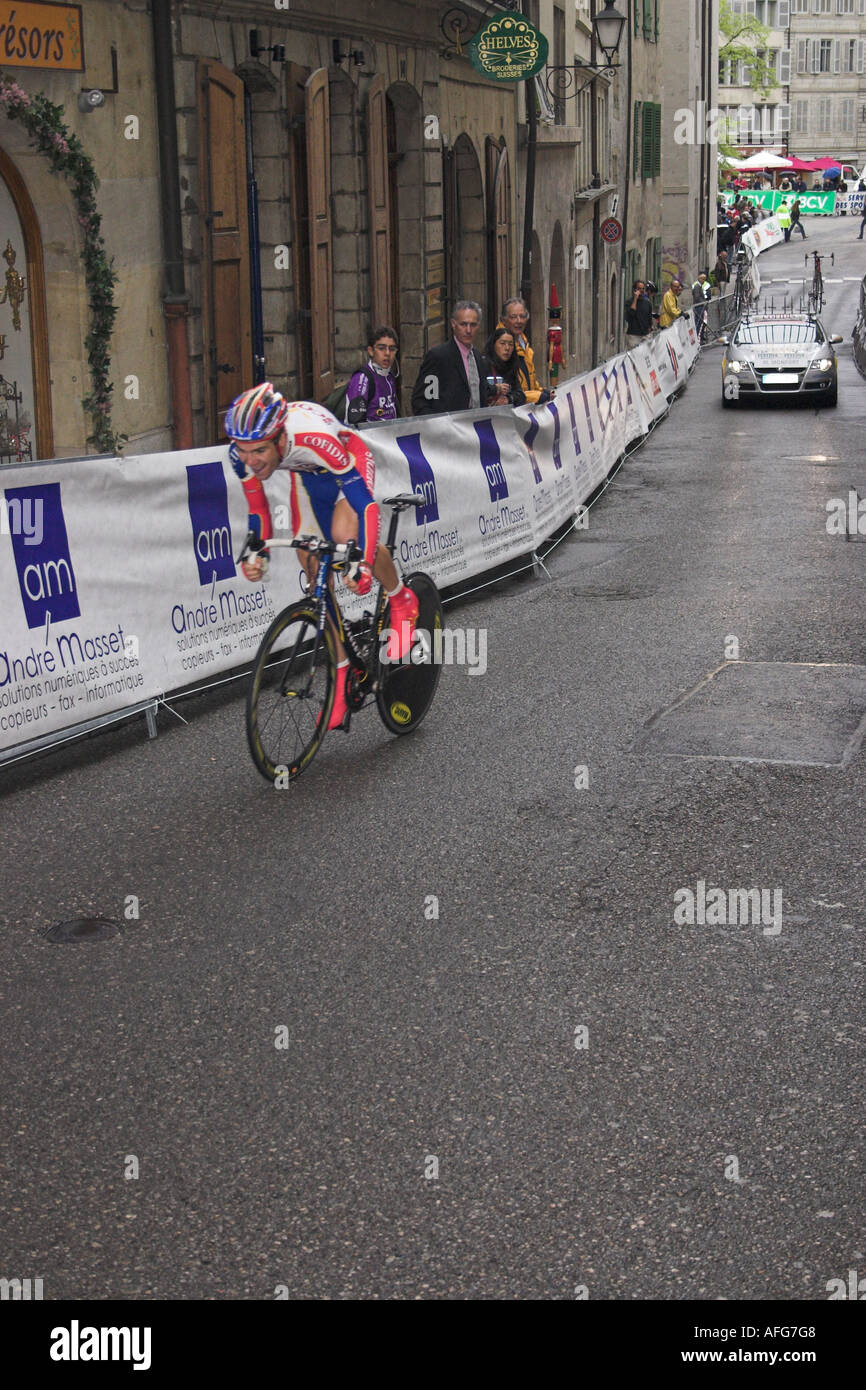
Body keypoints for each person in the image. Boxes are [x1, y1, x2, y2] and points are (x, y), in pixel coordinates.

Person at [225, 383, 419, 731]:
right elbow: (258, 508)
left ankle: (401, 597)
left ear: (279, 438)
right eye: (243, 452)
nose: (250, 462)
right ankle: (342, 675)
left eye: (258, 452)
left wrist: (360, 562)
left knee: (347, 537)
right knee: (310, 556)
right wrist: (258, 550)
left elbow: (368, 508)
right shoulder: (241, 455)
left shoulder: (312, 438)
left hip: (347, 462)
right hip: (308, 475)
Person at [411, 300, 491, 415]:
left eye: (473, 325)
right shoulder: (438, 357)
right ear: (453, 324)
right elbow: (421, 401)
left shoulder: (479, 358)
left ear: (478, 326)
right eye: (463, 324)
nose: (468, 330)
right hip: (447, 429)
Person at [495, 298, 553, 404]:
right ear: (503, 320)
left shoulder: (523, 342)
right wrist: (537, 396)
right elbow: (508, 390)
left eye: (522, 316)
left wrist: (543, 391)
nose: (519, 321)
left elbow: (530, 381)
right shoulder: (499, 347)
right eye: (513, 317)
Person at [344, 325, 400, 424]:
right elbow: (355, 422)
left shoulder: (390, 375)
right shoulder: (362, 378)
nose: (387, 353)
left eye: (392, 349)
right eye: (381, 348)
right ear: (371, 351)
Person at [480, 327, 526, 406]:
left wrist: (508, 399)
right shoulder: (482, 364)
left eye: (511, 344)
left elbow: (521, 395)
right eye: (502, 343)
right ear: (493, 345)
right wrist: (495, 389)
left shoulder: (511, 366)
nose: (507, 348)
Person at [624, 280, 653, 348]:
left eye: (643, 288)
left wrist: (649, 331)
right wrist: (635, 299)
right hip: (633, 336)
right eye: (639, 288)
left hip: (645, 336)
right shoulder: (629, 302)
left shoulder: (647, 303)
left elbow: (649, 318)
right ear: (634, 289)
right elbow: (631, 314)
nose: (641, 290)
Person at [690, 271, 711, 341]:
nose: (703, 281)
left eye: (704, 279)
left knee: (701, 322)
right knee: (698, 322)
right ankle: (697, 337)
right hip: (699, 307)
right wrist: (703, 302)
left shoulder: (699, 286)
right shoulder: (697, 286)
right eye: (702, 279)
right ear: (699, 279)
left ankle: (699, 336)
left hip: (701, 307)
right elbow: (696, 297)